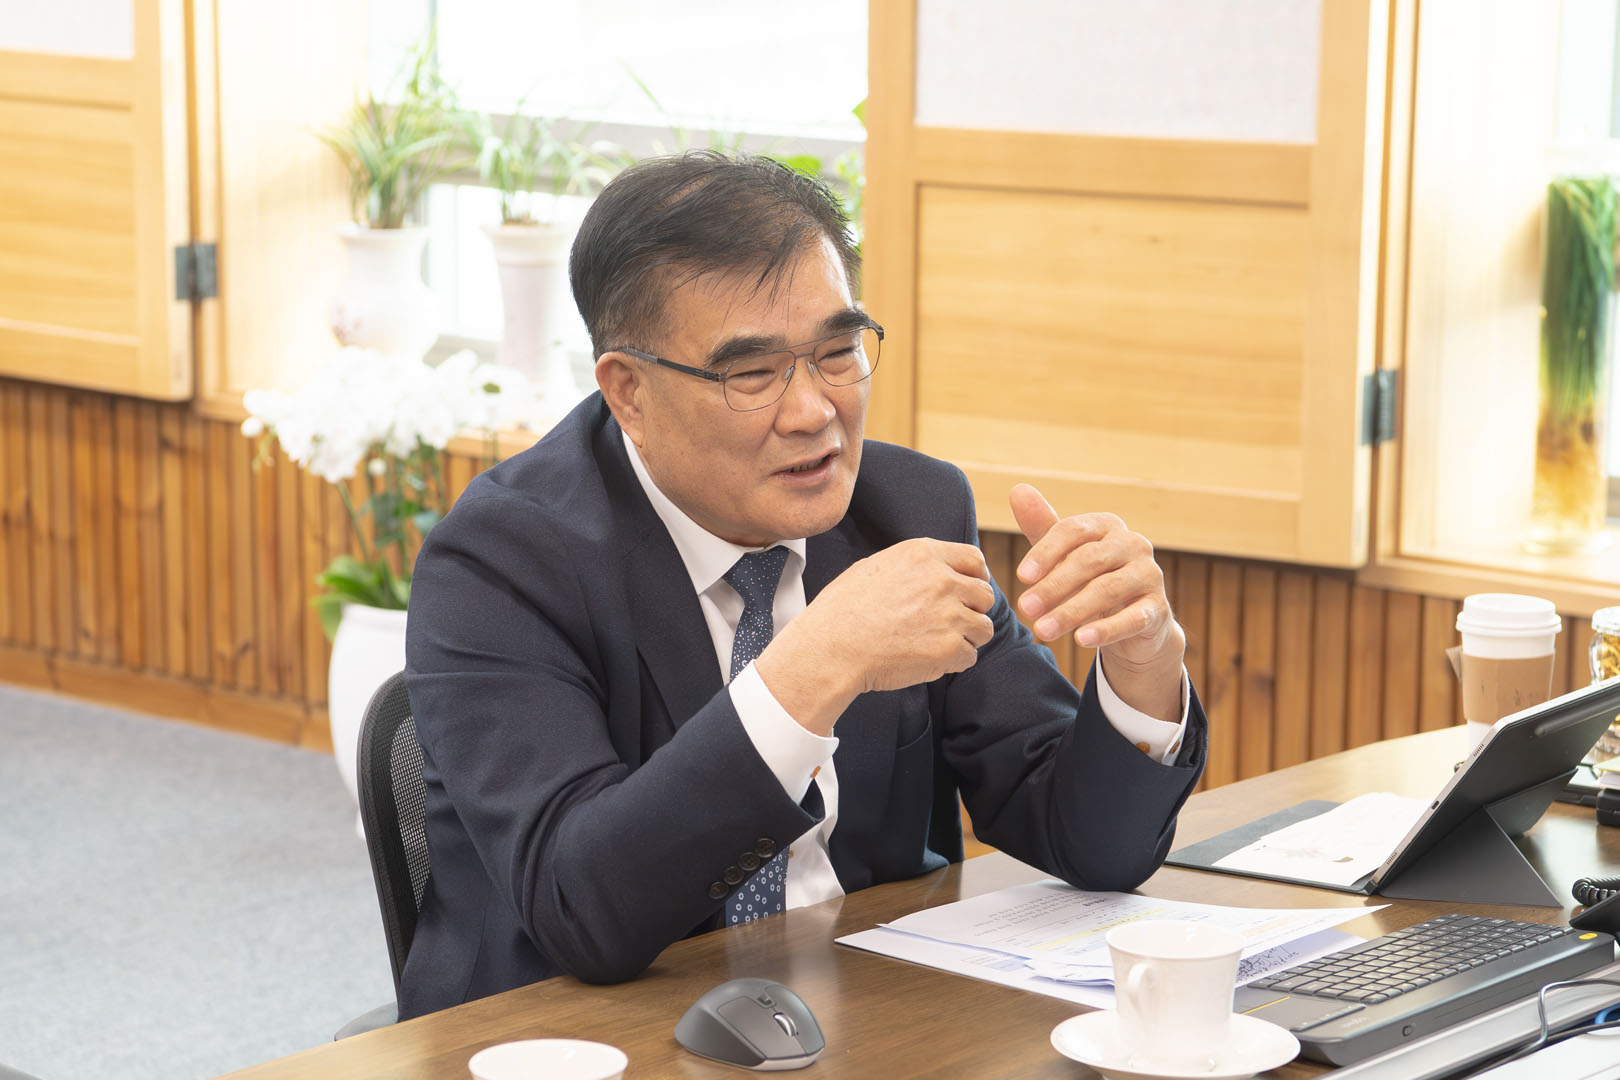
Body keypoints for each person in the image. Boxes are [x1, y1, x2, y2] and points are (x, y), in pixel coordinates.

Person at [400, 151, 1207, 1019]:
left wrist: (1141, 668)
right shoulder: (501, 560)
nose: (815, 411)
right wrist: (819, 661)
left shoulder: (909, 509)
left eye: (836, 352)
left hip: (860, 1014)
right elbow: (580, 907)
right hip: (568, 1036)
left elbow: (1091, 845)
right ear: (628, 392)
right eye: (752, 374)